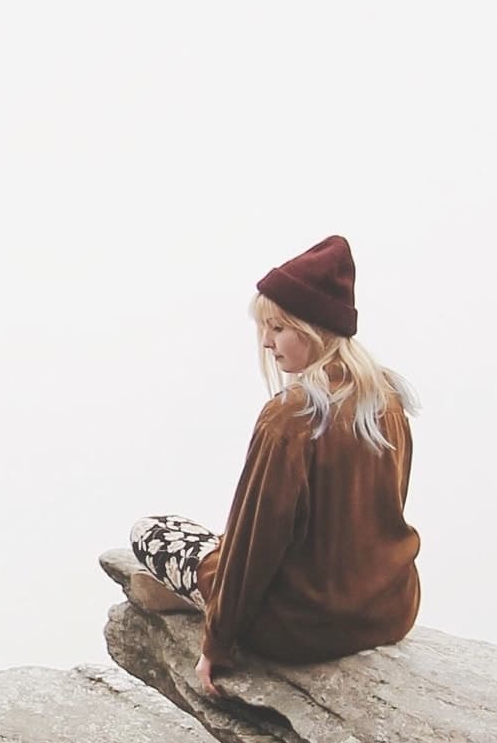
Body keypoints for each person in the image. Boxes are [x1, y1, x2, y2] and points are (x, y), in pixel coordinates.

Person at [124, 235, 422, 696]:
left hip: (299, 629)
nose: (267, 343)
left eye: (277, 328)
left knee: (154, 531)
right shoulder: (387, 400)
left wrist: (217, 643)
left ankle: (197, 599)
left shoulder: (292, 416)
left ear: (313, 327)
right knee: (226, 547)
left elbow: (257, 539)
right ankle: (197, 594)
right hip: (387, 612)